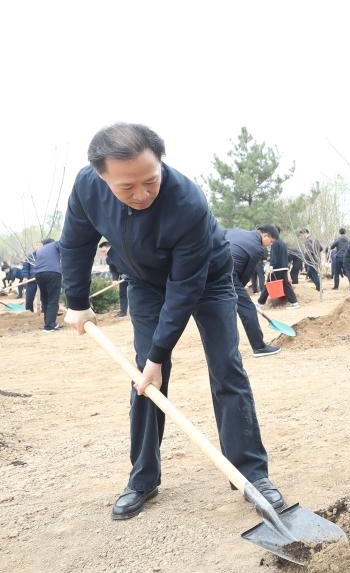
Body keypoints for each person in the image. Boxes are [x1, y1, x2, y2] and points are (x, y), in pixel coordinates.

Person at [59, 123, 286, 520]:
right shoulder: (86, 188)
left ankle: (252, 474)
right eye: (127, 187)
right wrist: (77, 301)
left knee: (226, 366)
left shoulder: (186, 201)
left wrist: (159, 354)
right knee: (145, 379)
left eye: (151, 180)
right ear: (102, 176)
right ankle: (143, 477)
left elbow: (185, 289)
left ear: (160, 163)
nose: (142, 194)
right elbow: (76, 243)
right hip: (145, 282)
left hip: (206, 278)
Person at [226, 226, 283, 357]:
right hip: (228, 274)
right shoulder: (257, 249)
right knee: (248, 309)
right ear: (265, 235)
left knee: (220, 309)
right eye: (271, 241)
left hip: (211, 269)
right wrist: (240, 294)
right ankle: (259, 347)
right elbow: (246, 275)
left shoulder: (236, 230)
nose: (270, 245)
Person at [258, 229, 299, 308]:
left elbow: (274, 256)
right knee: (286, 285)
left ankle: (260, 303)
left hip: (277, 268)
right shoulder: (282, 242)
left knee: (268, 285)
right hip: (283, 267)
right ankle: (294, 303)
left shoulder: (274, 243)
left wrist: (271, 266)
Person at [33, 238, 62, 332]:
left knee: (45, 299)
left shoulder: (39, 250)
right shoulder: (55, 244)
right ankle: (50, 326)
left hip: (39, 274)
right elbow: (66, 247)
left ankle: (48, 323)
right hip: (52, 273)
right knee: (53, 299)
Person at [98, 241, 130, 317]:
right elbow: (113, 270)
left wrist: (127, 274)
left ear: (110, 248)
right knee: (122, 294)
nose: (104, 253)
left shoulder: (121, 253)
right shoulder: (108, 259)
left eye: (104, 251)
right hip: (122, 278)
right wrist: (114, 279)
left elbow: (130, 265)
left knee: (135, 293)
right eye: (102, 252)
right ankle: (123, 312)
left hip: (132, 276)